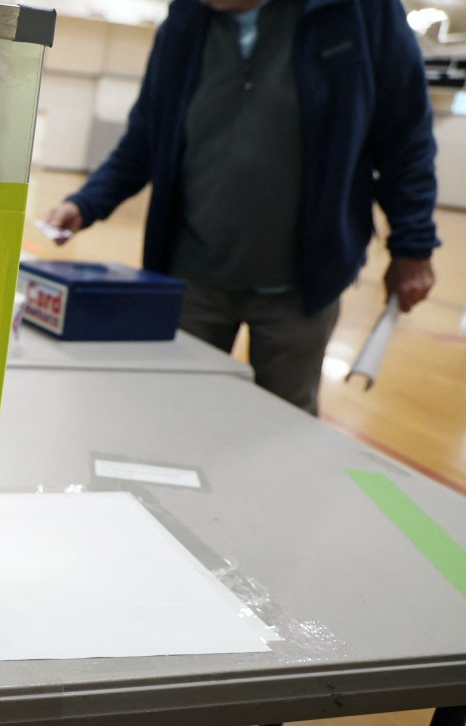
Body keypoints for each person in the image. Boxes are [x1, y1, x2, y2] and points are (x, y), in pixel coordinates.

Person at [44, 0, 438, 415]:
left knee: (283, 426)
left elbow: (406, 136)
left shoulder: (357, 11)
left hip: (301, 287)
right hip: (191, 278)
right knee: (174, 414)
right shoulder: (184, 21)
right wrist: (86, 202)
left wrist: (413, 246)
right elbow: (146, 135)